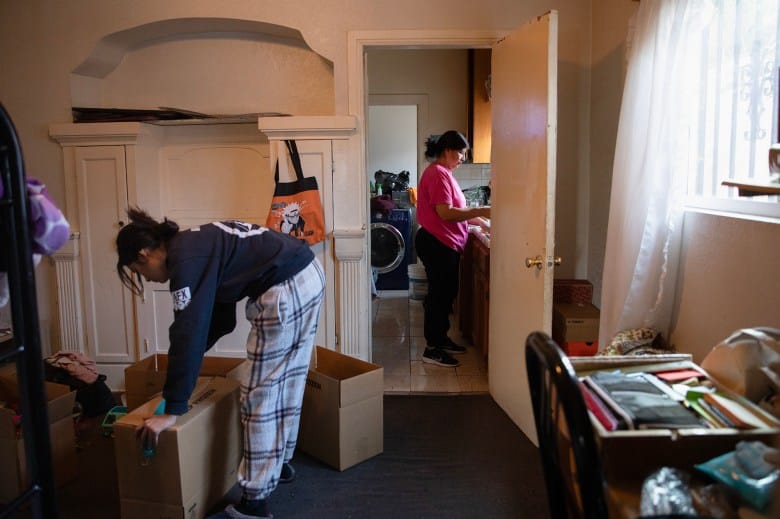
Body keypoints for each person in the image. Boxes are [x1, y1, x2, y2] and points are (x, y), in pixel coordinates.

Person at [115, 207, 324, 519]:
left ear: (144, 253)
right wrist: (191, 359)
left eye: (138, 270)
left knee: (260, 396)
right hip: (306, 274)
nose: (145, 278)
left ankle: (254, 502)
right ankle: (277, 465)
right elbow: (219, 320)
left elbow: (187, 332)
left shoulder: (185, 262)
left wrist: (173, 407)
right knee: (287, 380)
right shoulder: (193, 245)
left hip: (285, 288)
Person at [415, 131, 491, 368]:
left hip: (442, 243)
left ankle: (441, 339)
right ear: (448, 150)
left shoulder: (443, 173)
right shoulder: (438, 175)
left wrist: (478, 221)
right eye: (461, 153)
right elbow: (445, 213)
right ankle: (432, 348)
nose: (462, 158)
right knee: (439, 296)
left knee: (445, 295)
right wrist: (481, 211)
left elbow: (454, 212)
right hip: (437, 244)